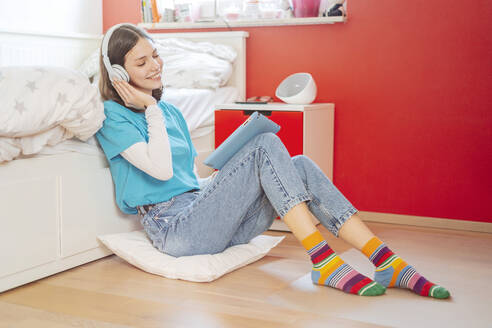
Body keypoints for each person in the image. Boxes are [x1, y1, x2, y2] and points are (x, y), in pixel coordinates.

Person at [95, 23, 450, 299]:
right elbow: (160, 170)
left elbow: (187, 177)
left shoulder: (170, 110)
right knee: (265, 143)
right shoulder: (114, 116)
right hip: (174, 229)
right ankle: (323, 259)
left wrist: (227, 178)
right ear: (118, 75)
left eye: (155, 55)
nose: (156, 66)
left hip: (201, 213)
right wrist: (151, 109)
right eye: (141, 62)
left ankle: (385, 260)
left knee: (300, 165)